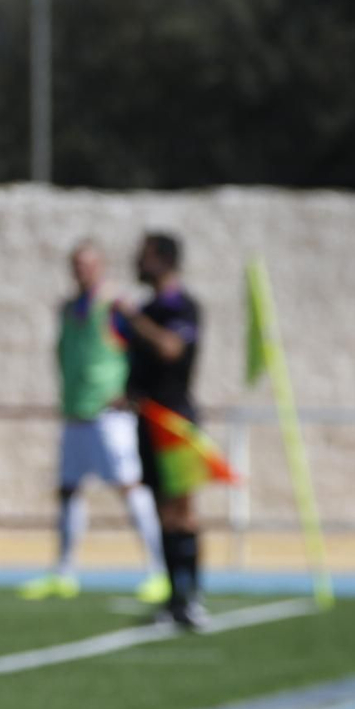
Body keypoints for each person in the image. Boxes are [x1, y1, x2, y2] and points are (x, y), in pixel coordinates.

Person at [20, 241, 168, 604]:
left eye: (88, 264)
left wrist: (132, 392)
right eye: (76, 265)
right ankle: (65, 572)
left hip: (109, 415)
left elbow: (143, 349)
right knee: (70, 490)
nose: (81, 271)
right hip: (75, 413)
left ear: (101, 266)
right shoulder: (69, 308)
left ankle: (158, 572)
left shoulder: (116, 306)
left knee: (131, 486)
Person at [115, 231, 208, 630]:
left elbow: (171, 349)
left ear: (163, 260)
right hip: (146, 420)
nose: (137, 261)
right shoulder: (147, 308)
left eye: (144, 256)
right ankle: (173, 599)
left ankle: (192, 598)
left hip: (176, 421)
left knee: (181, 511)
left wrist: (135, 319)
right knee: (160, 512)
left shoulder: (181, 307)